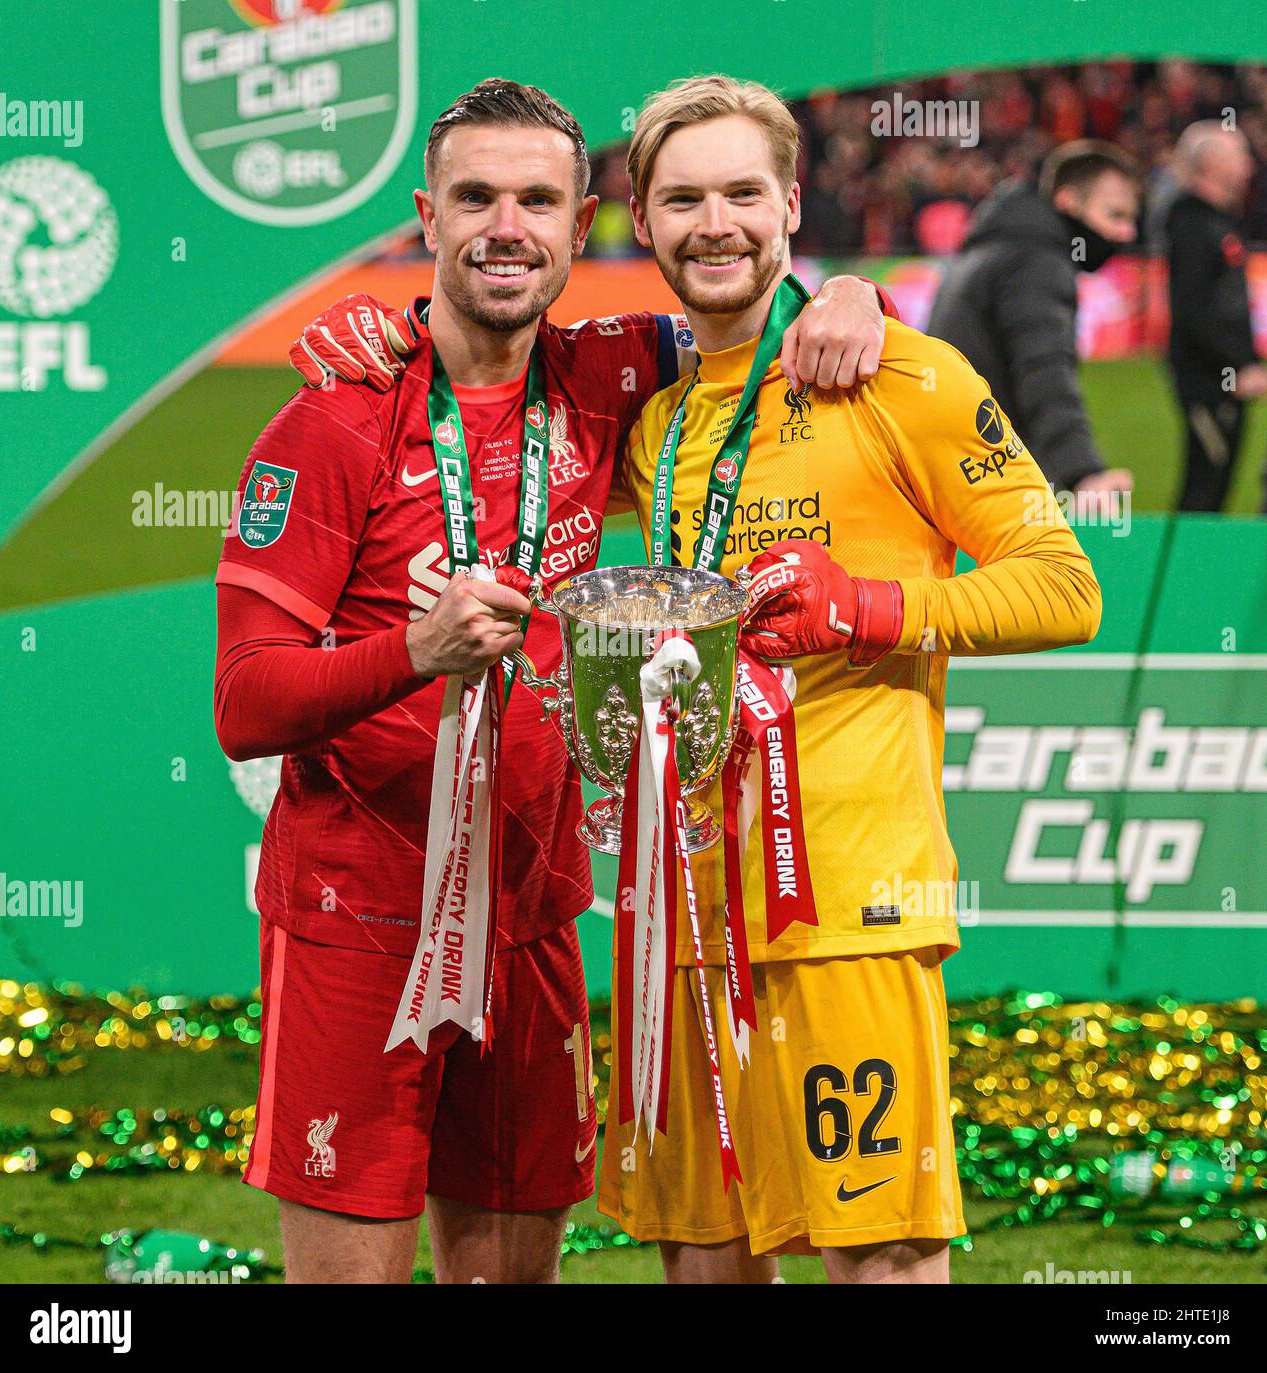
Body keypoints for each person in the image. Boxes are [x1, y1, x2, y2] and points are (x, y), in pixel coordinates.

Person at [216, 77, 887, 1285]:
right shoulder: (332, 421)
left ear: (587, 227)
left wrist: (847, 291)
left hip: (535, 911)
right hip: (363, 919)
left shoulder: (608, 375)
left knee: (508, 1275)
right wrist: (410, 655)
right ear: (427, 216)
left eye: (538, 198)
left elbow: (750, 290)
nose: (505, 226)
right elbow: (245, 699)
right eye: (474, 197)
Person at [598, 74, 1102, 1284]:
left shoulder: (902, 376)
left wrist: (866, 611)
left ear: (788, 202)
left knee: (878, 1256)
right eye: (680, 200)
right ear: (644, 224)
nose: (711, 222)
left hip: (849, 908)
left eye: (737, 193)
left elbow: (1062, 585)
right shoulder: (657, 420)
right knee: (702, 1258)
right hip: (685, 901)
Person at [927, 140, 1139, 516]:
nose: (1127, 233)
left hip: (950, 462)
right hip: (990, 470)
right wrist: (1083, 472)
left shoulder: (992, 246)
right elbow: (1044, 371)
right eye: (1115, 215)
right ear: (1069, 201)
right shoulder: (1037, 261)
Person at [1165, 122, 1267, 512]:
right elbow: (1193, 310)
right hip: (1207, 380)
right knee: (1204, 490)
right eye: (1240, 155)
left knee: (1215, 486)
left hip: (1222, 379)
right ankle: (1184, 572)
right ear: (1213, 164)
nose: (1249, 165)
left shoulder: (1218, 221)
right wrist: (1239, 365)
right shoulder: (1193, 226)